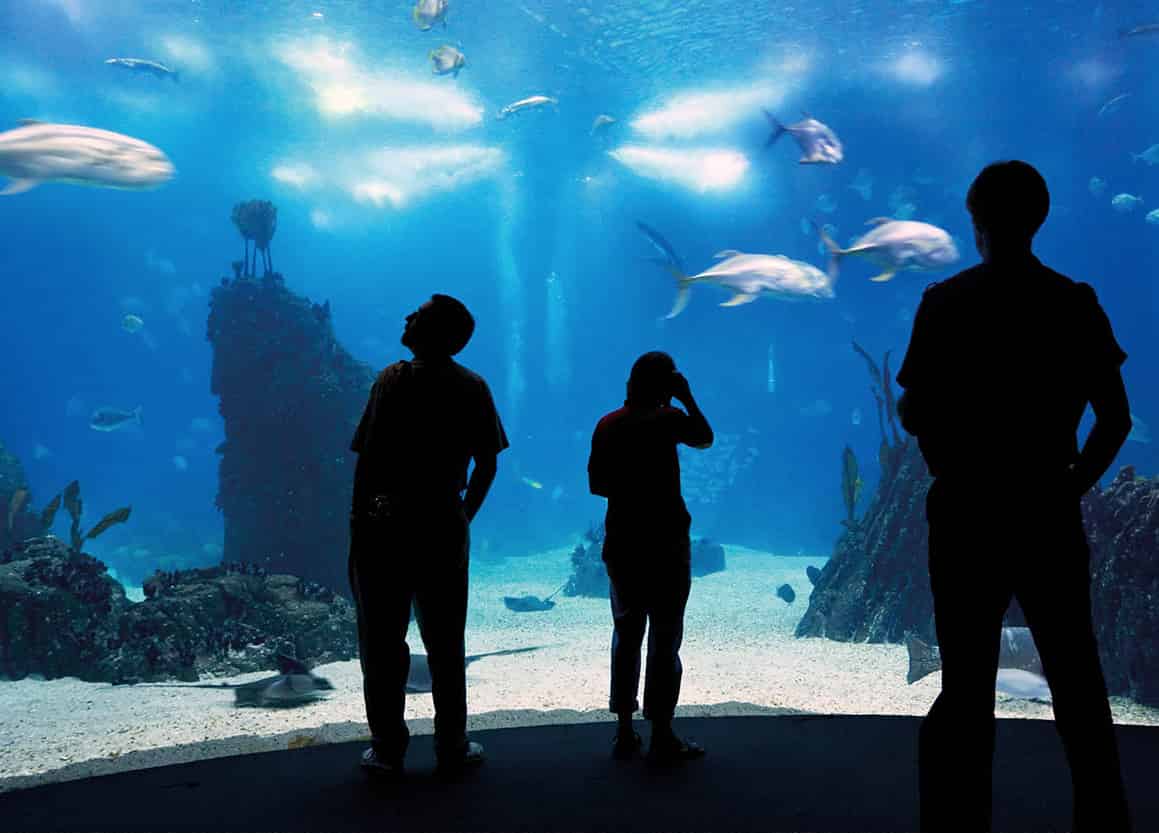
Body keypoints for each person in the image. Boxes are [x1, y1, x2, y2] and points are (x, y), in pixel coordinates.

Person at [896, 160, 1132, 832]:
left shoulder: (945, 302)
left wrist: (948, 451)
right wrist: (1070, 485)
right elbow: (1114, 418)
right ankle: (1103, 820)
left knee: (964, 685)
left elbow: (913, 408)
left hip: (966, 509)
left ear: (974, 220)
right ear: (1040, 217)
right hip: (1044, 507)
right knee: (1076, 679)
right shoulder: (1072, 301)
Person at [348, 293, 508, 779]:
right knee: (445, 642)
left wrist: (360, 526)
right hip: (442, 522)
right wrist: (462, 516)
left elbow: (368, 462)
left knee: (381, 642)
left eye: (415, 313)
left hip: (386, 527)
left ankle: (388, 748)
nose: (406, 315)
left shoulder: (391, 380)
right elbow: (488, 463)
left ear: (433, 330)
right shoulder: (472, 385)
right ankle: (452, 744)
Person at [588, 351, 714, 762]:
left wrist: (631, 487)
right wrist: (687, 397)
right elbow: (705, 437)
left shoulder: (608, 424)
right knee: (665, 636)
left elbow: (597, 484)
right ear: (667, 385)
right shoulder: (670, 420)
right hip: (667, 542)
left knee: (626, 634)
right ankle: (662, 731)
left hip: (623, 540)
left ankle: (624, 730)